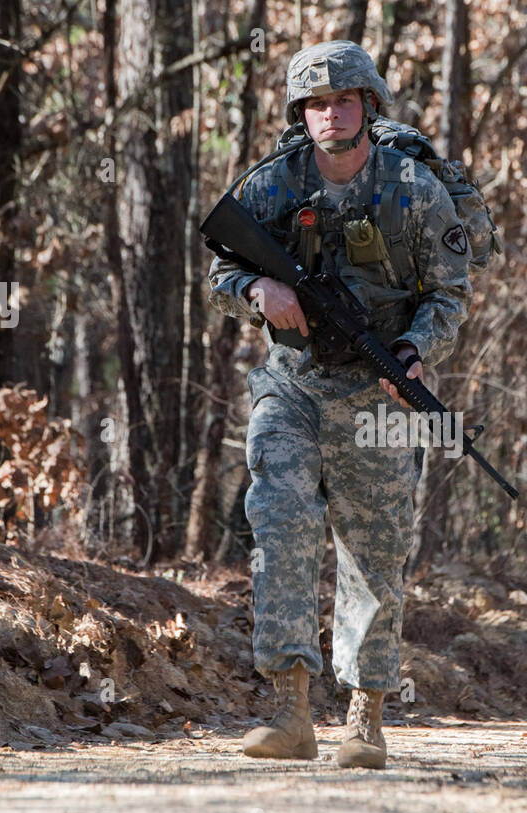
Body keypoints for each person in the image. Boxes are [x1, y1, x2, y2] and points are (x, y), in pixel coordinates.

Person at [206, 40, 472, 769]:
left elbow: (448, 293)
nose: (330, 115)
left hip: (378, 391)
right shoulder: (272, 185)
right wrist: (259, 290)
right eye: (316, 104)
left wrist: (416, 349)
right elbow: (219, 269)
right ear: (303, 114)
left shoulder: (415, 190)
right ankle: (290, 710)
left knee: (375, 552)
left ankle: (366, 715)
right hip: (291, 383)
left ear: (368, 107)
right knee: (281, 521)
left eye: (343, 101)